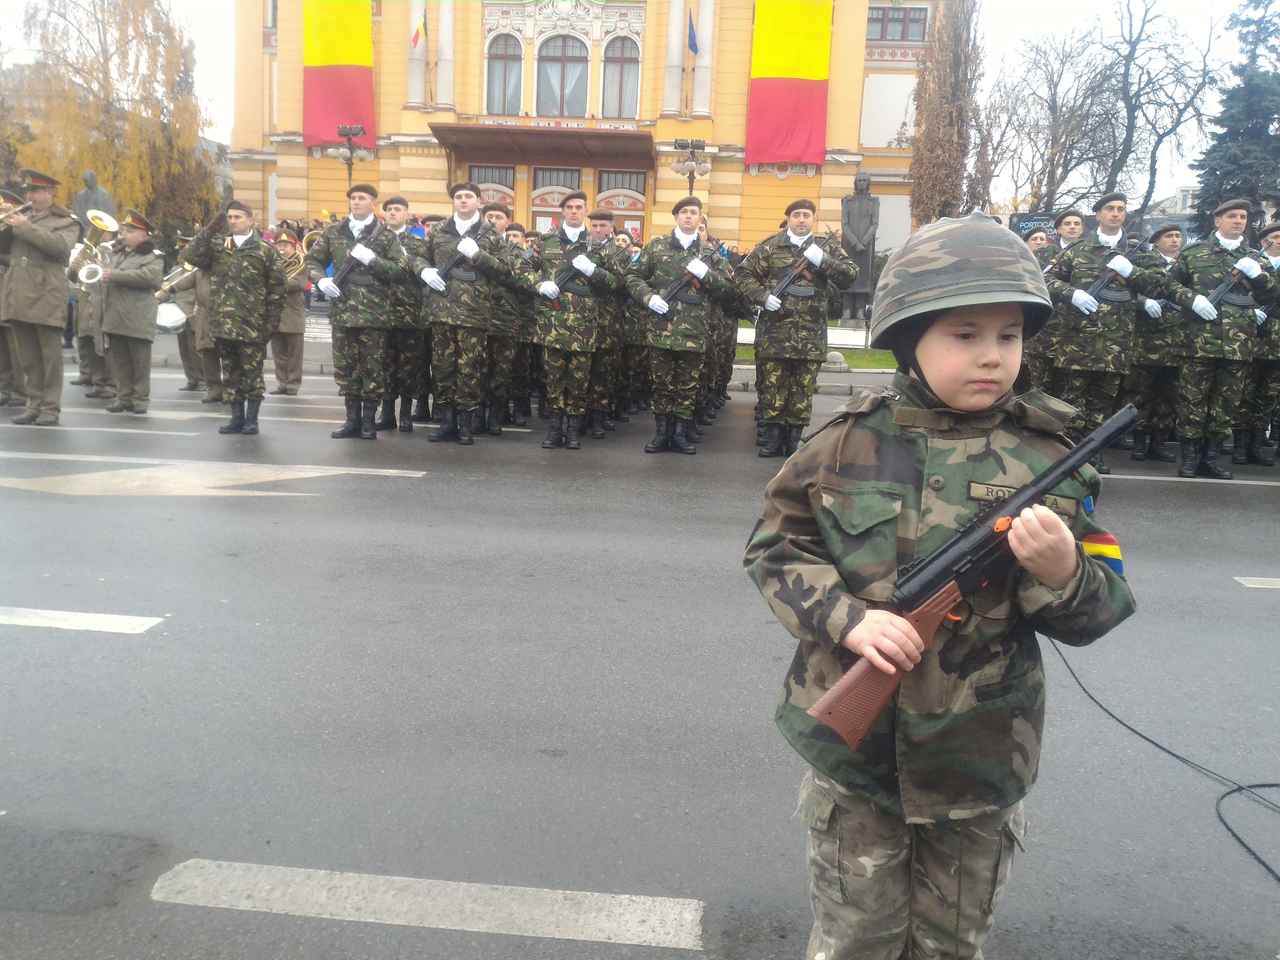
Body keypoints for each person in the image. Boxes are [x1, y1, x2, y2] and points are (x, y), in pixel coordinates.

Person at [743, 212, 1136, 960]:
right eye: (966, 335)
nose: (993, 356)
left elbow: (1101, 607)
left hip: (979, 756)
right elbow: (774, 548)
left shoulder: (1049, 459)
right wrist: (847, 618)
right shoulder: (844, 443)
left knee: (953, 943)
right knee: (857, 937)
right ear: (908, 338)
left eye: (1009, 336)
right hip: (858, 762)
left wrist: (1062, 571)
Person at [1043, 193, 1184, 473]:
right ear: (1098, 215)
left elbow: (1160, 286)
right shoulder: (1079, 249)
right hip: (1078, 340)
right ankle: (1068, 453)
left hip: (1116, 342)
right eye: (1110, 209)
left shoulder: (1139, 253)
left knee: (1104, 402)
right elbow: (1046, 279)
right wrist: (1072, 294)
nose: (1116, 213)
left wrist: (1131, 271)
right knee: (1072, 399)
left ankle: (1093, 454)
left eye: (1121, 209)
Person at [736, 198, 857, 457]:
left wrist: (823, 260)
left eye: (806, 215)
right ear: (788, 218)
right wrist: (762, 296)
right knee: (773, 387)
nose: (801, 219)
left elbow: (850, 275)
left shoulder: (826, 246)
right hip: (774, 333)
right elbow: (743, 275)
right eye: (796, 215)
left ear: (813, 219)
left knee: (802, 390)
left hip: (810, 335)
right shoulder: (770, 246)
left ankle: (793, 440)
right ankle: (771, 439)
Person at [1167, 198, 1278, 478]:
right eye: (1232, 216)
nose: (1239, 220)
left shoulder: (1256, 258)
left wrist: (1260, 277)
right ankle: (1190, 458)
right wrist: (1191, 299)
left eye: (1243, 216)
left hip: (1238, 343)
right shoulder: (1194, 253)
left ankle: (1212, 457)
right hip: (1198, 341)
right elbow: (1166, 284)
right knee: (1193, 401)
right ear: (1218, 220)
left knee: (1225, 403)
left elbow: (1272, 295)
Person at [625, 196, 733, 454]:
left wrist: (707, 275)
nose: (688, 216)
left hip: (694, 331)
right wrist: (648, 297)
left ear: (700, 218)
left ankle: (681, 434)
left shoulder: (709, 253)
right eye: (683, 212)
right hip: (661, 328)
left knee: (688, 386)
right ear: (676, 217)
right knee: (661, 384)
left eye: (693, 212)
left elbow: (729, 290)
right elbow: (632, 275)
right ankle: (662, 433)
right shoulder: (656, 247)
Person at [519, 190, 620, 450]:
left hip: (585, 325)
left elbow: (615, 283)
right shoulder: (545, 241)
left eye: (579, 207)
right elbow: (522, 269)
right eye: (570, 207)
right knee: (553, 379)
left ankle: (573, 429)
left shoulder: (597, 244)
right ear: (562, 212)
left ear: (585, 211)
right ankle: (554, 429)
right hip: (552, 322)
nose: (574, 211)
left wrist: (593, 270)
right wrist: (540, 284)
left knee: (578, 380)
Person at [306, 183, 406, 440]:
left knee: (372, 369)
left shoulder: (385, 236)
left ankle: (368, 422)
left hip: (374, 314)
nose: (356, 202)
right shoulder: (334, 231)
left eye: (362, 198)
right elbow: (313, 260)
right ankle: (351, 420)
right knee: (345, 369)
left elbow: (399, 271)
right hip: (342, 312)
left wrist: (372, 259)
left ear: (373, 202)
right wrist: (320, 280)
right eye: (353, 198)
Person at [414, 182, 509, 444]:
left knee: (470, 369)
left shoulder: (490, 234)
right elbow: (419, 256)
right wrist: (424, 271)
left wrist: (479, 256)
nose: (463, 200)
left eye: (469, 196)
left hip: (473, 313)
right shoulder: (440, 230)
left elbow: (504, 270)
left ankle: (466, 424)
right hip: (441, 309)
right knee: (442, 367)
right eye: (459, 197)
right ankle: (446, 422)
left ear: (479, 201)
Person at [183, 200, 286, 436]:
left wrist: (270, 325)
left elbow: (277, 290)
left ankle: (252, 420)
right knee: (230, 374)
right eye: (230, 217)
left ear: (250, 220)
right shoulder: (219, 247)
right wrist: (209, 229)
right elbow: (191, 255)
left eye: (238, 217)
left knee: (252, 375)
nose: (233, 221)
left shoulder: (264, 250)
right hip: (223, 325)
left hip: (252, 325)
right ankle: (235, 418)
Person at [2, 170, 80, 426]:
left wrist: (26, 228)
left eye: (36, 191)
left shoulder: (66, 220)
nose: (30, 196)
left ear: (50, 193)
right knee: (28, 357)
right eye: (28, 191)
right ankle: (33, 404)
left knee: (49, 357)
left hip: (46, 295)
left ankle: (50, 408)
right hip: (19, 294)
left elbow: (60, 249)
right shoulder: (21, 217)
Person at [1123, 224, 1184, 463]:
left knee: (1169, 396)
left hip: (1178, 341)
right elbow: (1127, 289)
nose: (1174, 240)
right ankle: (1138, 442)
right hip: (1146, 340)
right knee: (1140, 394)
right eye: (1168, 236)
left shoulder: (1185, 263)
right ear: (1156, 241)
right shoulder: (1143, 261)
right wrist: (1143, 301)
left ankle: (1158, 443)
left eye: (1178, 236)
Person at [99, 209, 163, 415]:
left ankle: (140, 398)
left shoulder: (153, 256)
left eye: (129, 231)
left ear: (143, 234)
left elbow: (151, 278)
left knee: (139, 362)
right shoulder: (117, 253)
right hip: (116, 315)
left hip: (137, 317)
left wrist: (114, 275)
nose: (123, 234)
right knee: (120, 361)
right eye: (124, 230)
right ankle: (123, 396)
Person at [374, 197, 427, 430]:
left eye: (398, 209)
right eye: (389, 210)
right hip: (380, 312)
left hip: (409, 313)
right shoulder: (374, 241)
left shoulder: (417, 243)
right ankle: (386, 414)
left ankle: (405, 413)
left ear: (407, 214)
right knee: (384, 365)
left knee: (408, 366)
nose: (393, 213)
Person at [1241, 221, 1280, 466]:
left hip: (1277, 343)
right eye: (1275, 236)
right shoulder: (1252, 263)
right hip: (1251, 338)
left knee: (1269, 396)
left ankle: (1256, 445)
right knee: (1245, 393)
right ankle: (1239, 446)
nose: (1278, 241)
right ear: (1265, 240)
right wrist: (1249, 310)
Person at [269, 228, 306, 396]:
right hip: (275, 315)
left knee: (294, 355)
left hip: (293, 315)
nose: (282, 248)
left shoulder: (301, 262)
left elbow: (298, 284)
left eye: (286, 244)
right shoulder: (271, 262)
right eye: (279, 244)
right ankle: (282, 383)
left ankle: (293, 384)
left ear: (293, 246)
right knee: (279, 354)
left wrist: (277, 281)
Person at [170, 235, 206, 392]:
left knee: (196, 349)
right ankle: (191, 379)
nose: (180, 252)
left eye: (184, 249)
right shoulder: (176, 269)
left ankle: (203, 379)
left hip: (193, 313)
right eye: (180, 249)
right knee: (184, 349)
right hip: (179, 313)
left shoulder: (197, 270)